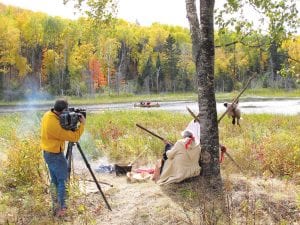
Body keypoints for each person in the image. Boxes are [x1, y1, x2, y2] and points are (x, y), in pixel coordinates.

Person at [40, 99, 86, 217]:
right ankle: (61, 209)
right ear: (62, 111)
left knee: (55, 180)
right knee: (63, 181)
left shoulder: (48, 115)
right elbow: (74, 137)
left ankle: (55, 206)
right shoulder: (54, 125)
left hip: (48, 153)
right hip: (55, 155)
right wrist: (82, 124)